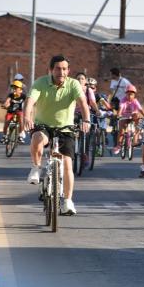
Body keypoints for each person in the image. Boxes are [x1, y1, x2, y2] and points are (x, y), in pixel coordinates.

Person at [23, 55, 90, 216]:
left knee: (67, 163)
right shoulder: (41, 82)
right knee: (37, 138)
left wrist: (86, 119)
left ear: (68, 70)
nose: (61, 72)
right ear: (51, 70)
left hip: (65, 129)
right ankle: (36, 168)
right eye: (58, 68)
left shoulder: (73, 84)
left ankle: (67, 201)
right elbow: (30, 101)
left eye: (65, 69)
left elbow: (82, 103)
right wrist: (26, 116)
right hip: (44, 126)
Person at [112, 85, 144, 155]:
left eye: (131, 95)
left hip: (133, 116)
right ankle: (119, 145)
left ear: (134, 95)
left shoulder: (135, 101)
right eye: (128, 94)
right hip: (125, 117)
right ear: (125, 94)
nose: (129, 96)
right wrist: (118, 115)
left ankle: (137, 135)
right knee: (121, 130)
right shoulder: (123, 100)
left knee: (137, 116)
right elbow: (121, 108)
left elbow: (140, 109)